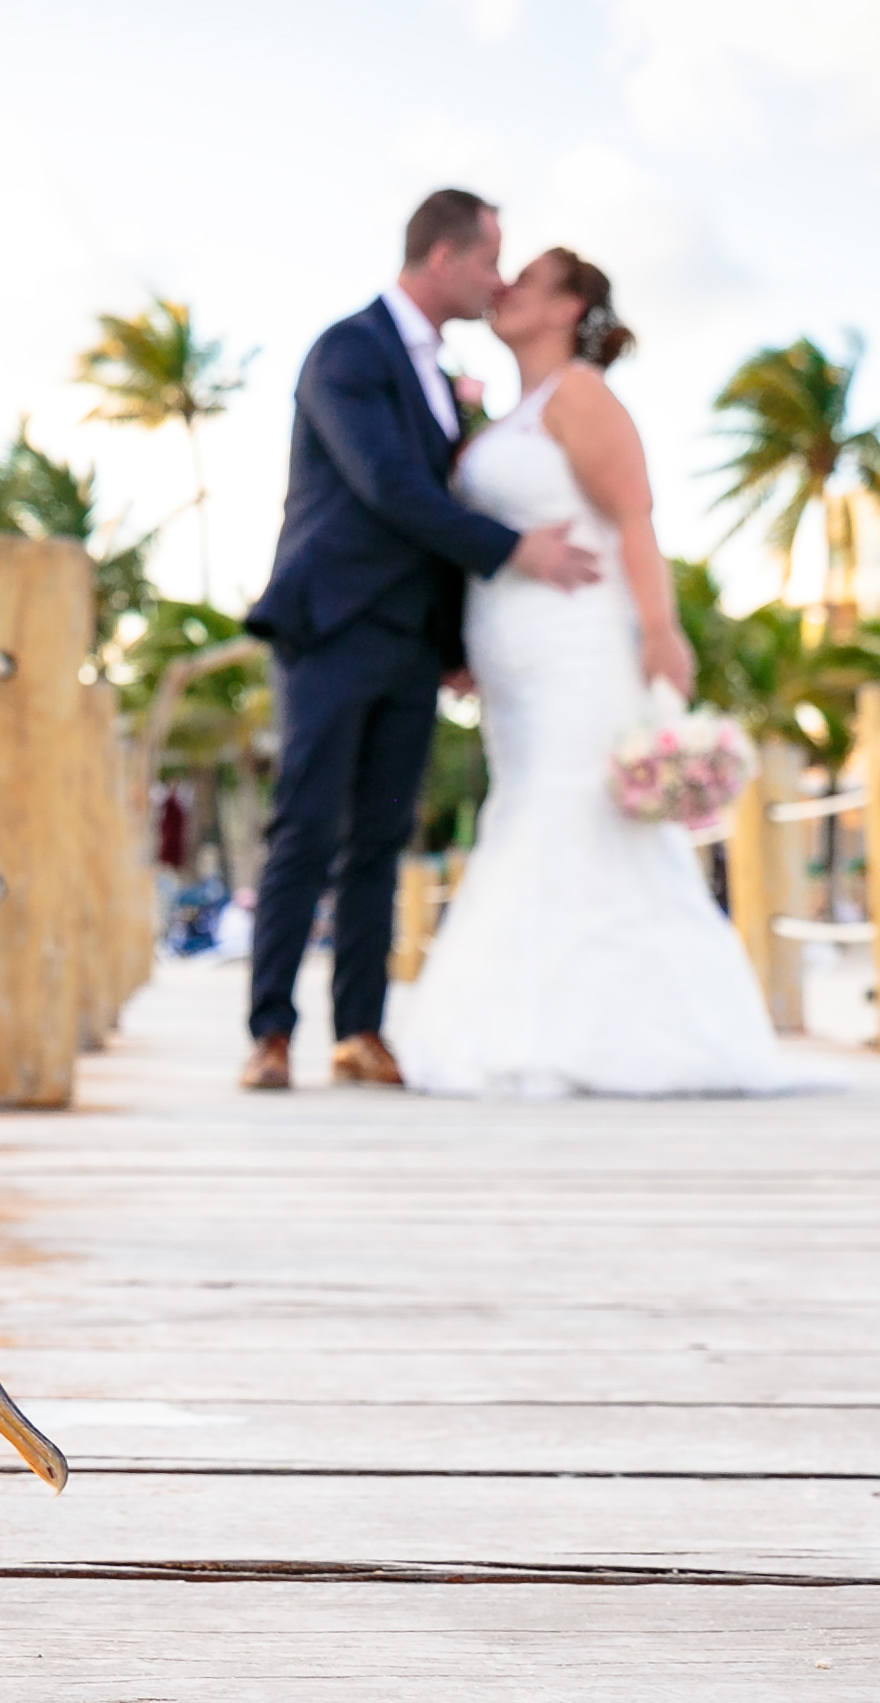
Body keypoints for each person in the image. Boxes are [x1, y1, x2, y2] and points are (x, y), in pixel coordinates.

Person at [389, 248, 804, 1099]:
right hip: (515, 663)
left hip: (581, 647)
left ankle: (609, 1036)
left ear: (569, 306)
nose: (505, 289)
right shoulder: (510, 413)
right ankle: (526, 1024)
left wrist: (660, 631)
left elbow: (633, 517)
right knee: (526, 811)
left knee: (577, 813)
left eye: (528, 281)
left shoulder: (580, 394)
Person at [239, 190, 602, 1091]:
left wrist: (454, 642)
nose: (497, 281)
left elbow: (435, 506)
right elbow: (389, 487)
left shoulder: (442, 374)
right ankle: (271, 1034)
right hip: (332, 627)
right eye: (489, 261)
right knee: (307, 825)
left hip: (409, 646)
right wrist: (515, 549)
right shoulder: (348, 349)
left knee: (381, 837)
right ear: (445, 257)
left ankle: (359, 1031)